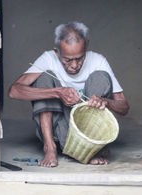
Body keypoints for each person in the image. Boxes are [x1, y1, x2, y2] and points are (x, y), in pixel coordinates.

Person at [9, 21, 129, 167]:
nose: (74, 65)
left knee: (100, 77)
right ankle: (50, 147)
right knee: (44, 78)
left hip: (86, 130)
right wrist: (57, 92)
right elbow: (14, 91)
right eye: (67, 60)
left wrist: (105, 101)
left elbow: (124, 107)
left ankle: (89, 148)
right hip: (58, 132)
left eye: (79, 58)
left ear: (86, 47)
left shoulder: (98, 61)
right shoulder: (48, 59)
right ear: (56, 51)